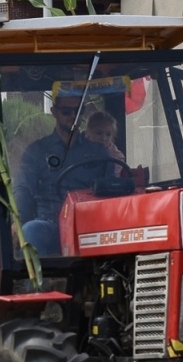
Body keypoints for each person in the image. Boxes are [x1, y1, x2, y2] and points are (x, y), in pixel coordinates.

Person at [12, 92, 110, 256]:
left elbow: (111, 189)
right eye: (66, 111)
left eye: (78, 111)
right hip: (51, 223)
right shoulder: (36, 151)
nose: (73, 116)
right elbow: (23, 189)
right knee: (30, 232)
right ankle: (38, 282)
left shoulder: (99, 153)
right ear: (54, 112)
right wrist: (18, 221)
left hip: (91, 223)